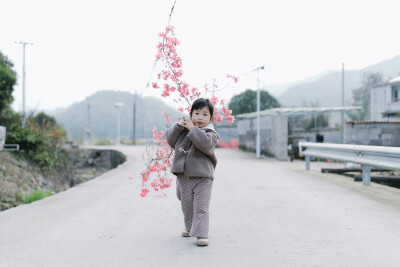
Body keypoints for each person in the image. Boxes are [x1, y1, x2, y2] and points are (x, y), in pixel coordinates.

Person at [165, 98, 220, 247]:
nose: (200, 117)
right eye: (197, 113)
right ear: (190, 115)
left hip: (203, 177)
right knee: (186, 205)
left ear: (211, 118)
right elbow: (169, 139)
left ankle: (201, 234)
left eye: (205, 114)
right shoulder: (184, 128)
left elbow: (206, 145)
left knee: (201, 207)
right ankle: (189, 228)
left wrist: (192, 130)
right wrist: (178, 126)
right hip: (183, 175)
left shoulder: (211, 133)